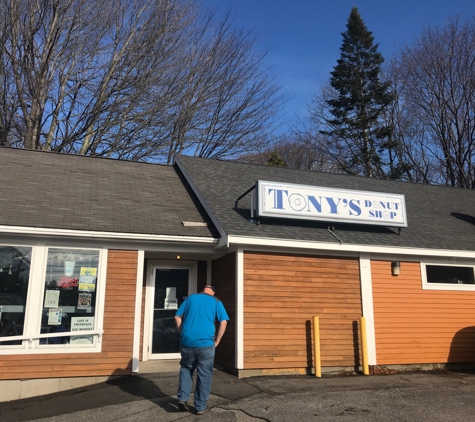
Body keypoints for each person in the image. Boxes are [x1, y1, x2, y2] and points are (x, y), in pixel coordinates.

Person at [174, 284, 229, 415]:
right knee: (204, 374)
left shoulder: (190, 298)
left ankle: (182, 398)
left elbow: (177, 317)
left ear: (203, 290)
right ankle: (200, 406)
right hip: (206, 344)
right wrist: (217, 341)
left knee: (186, 368)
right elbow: (224, 322)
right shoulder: (215, 301)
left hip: (187, 342)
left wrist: (183, 333)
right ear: (213, 292)